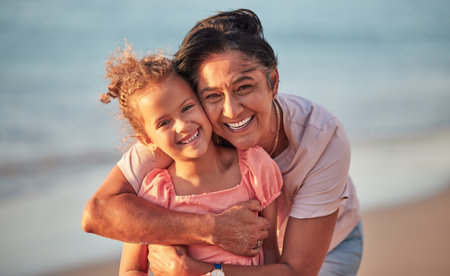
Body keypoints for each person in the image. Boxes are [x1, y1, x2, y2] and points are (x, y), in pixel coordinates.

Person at [82, 9, 362, 276]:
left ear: (273, 82)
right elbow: (98, 213)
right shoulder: (186, 131)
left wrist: (200, 271)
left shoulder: (322, 138)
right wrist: (212, 228)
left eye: (244, 87)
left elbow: (297, 270)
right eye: (213, 95)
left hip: (327, 250)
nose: (231, 111)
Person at [98, 46, 282, 275]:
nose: (183, 125)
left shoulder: (255, 168)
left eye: (187, 108)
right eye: (164, 123)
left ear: (203, 102)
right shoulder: (156, 192)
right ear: (146, 140)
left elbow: (272, 258)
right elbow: (132, 269)